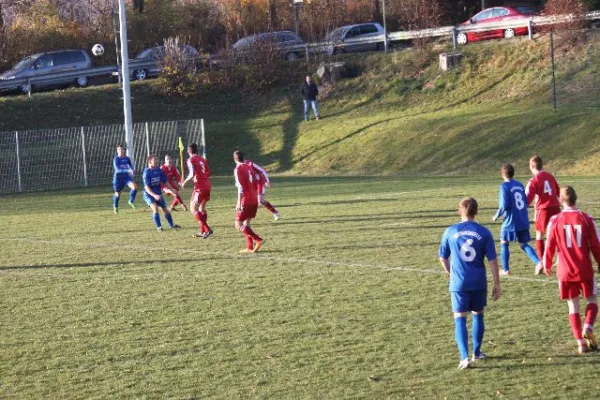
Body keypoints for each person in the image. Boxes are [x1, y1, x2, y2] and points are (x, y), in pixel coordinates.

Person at [439, 197, 501, 370]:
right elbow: (493, 260)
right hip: (478, 281)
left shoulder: (450, 231)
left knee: (459, 317)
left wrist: (451, 273)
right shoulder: (484, 232)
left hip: (459, 283)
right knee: (478, 314)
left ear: (460, 210)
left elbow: (442, 257)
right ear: (477, 211)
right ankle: (477, 352)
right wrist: (497, 283)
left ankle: (465, 358)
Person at [544, 186, 600, 354]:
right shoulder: (586, 219)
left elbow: (549, 245)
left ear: (560, 200)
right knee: (592, 300)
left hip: (565, 270)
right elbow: (596, 245)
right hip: (584, 268)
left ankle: (580, 344)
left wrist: (546, 263)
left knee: (572, 306)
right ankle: (588, 326)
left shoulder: (555, 220)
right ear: (576, 198)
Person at [492, 164, 543, 275]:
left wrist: (496, 216)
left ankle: (506, 269)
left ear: (502, 174)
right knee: (524, 244)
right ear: (513, 173)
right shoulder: (519, 184)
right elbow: (525, 201)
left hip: (511, 221)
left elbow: (504, 205)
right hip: (522, 218)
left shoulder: (504, 186)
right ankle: (539, 262)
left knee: (504, 242)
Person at [526, 155, 560, 265]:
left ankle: (543, 261)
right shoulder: (550, 176)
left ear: (532, 166)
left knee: (539, 235)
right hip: (555, 208)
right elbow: (558, 193)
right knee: (557, 235)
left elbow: (527, 199)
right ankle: (560, 259)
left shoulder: (534, 180)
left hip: (543, 210)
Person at [234, 150, 264, 253]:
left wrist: (238, 202)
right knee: (247, 223)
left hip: (245, 199)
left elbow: (240, 187)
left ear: (235, 159)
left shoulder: (238, 168)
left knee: (238, 225)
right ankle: (250, 247)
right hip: (254, 198)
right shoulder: (249, 167)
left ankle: (258, 239)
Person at [181, 143, 212, 238]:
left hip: (200, 188)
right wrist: (202, 177)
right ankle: (203, 231)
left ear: (188, 151)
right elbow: (208, 172)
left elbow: (192, 173)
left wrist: (185, 182)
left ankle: (207, 229)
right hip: (207, 185)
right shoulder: (202, 159)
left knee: (193, 209)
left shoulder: (191, 159)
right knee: (201, 209)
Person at [142, 155, 180, 231]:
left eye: (157, 159)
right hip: (149, 194)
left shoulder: (159, 170)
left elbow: (165, 182)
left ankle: (171, 225)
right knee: (155, 208)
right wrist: (154, 195)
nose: (157, 161)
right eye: (155, 160)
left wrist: (171, 189)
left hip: (158, 194)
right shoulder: (147, 172)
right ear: (150, 162)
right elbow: (147, 187)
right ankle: (159, 227)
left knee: (165, 210)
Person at [112, 144, 138, 213]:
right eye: (119, 149)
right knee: (118, 194)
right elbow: (118, 170)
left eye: (122, 149)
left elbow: (130, 165)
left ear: (124, 150)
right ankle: (115, 206)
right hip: (118, 179)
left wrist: (133, 170)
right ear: (117, 151)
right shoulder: (116, 159)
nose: (121, 150)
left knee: (135, 187)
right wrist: (128, 170)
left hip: (126, 177)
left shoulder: (127, 158)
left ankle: (130, 201)